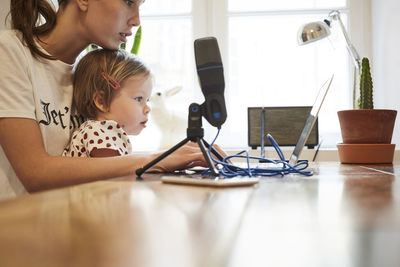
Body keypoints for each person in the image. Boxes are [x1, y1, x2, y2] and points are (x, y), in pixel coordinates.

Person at [0, 0, 223, 200]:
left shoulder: (90, 73)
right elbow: (36, 173)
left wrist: (179, 154)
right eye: (128, 2)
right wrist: (160, 158)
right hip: (20, 236)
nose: (136, 20)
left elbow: (95, 162)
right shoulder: (10, 52)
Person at [63, 48, 152, 158]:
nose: (148, 108)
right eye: (139, 99)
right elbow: (115, 172)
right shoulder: (99, 133)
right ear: (102, 101)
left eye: (147, 100)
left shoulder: (105, 133)